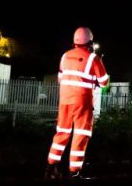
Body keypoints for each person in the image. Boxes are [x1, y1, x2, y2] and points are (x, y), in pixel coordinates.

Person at [44, 27, 110, 179]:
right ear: (90, 42)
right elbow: (104, 82)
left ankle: (51, 166)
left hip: (65, 101)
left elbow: (60, 78)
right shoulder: (93, 58)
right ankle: (74, 171)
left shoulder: (65, 56)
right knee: (80, 135)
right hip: (82, 102)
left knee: (61, 132)